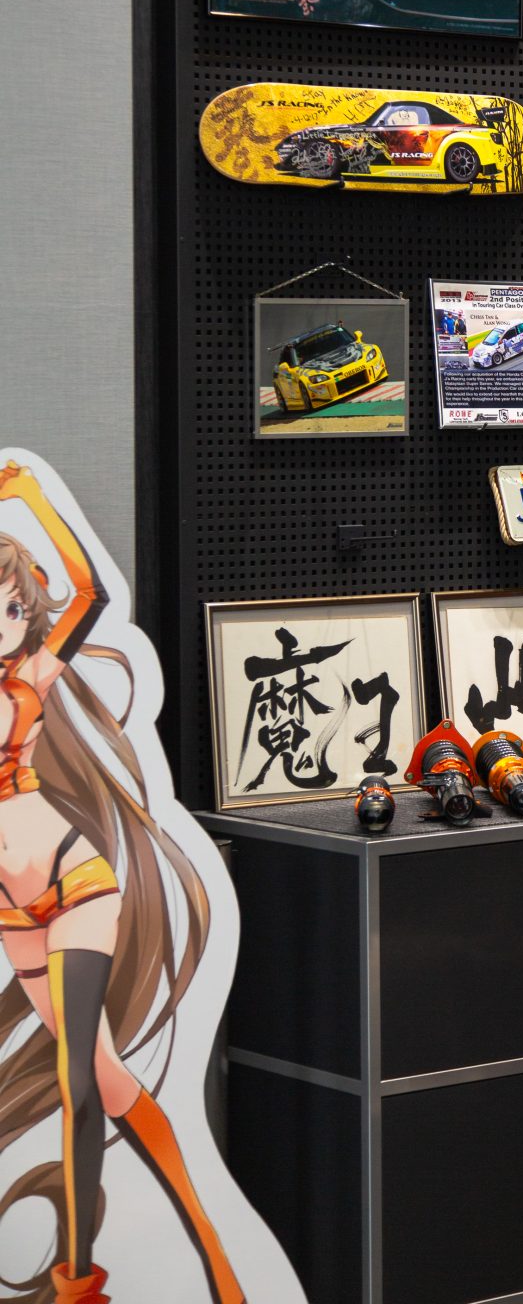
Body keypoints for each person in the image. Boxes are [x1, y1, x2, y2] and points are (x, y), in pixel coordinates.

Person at [0, 461, 243, 1304]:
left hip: (74, 881)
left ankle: (77, 1283)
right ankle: (216, 1257)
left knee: (77, 1084)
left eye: (14, 608)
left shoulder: (31, 677)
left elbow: (89, 593)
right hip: (14, 911)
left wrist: (27, 496)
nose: (7, 624)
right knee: (104, 1076)